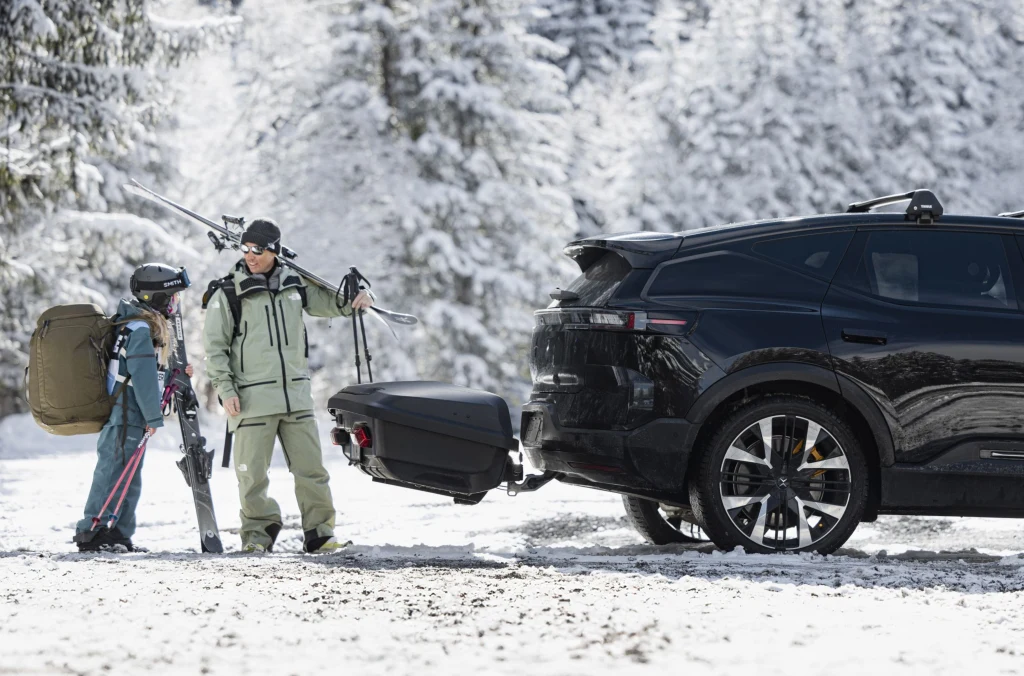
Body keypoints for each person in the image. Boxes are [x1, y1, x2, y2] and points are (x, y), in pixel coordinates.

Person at [202, 218, 373, 553]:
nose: (250, 255)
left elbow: (334, 303)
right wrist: (226, 389)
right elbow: (215, 348)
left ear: (275, 250)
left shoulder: (295, 285)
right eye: (245, 248)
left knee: (312, 471)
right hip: (251, 400)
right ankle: (257, 534)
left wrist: (358, 298)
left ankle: (320, 534)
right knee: (252, 476)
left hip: (295, 397)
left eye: (259, 249)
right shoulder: (227, 291)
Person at [74, 264, 193, 552]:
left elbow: (147, 374)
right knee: (113, 471)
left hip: (132, 415)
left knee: (129, 476)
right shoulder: (139, 328)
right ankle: (92, 531)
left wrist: (175, 378)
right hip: (125, 415)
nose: (174, 303)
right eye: (171, 296)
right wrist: (153, 416)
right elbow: (141, 378)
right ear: (156, 297)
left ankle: (118, 533)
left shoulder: (140, 326)